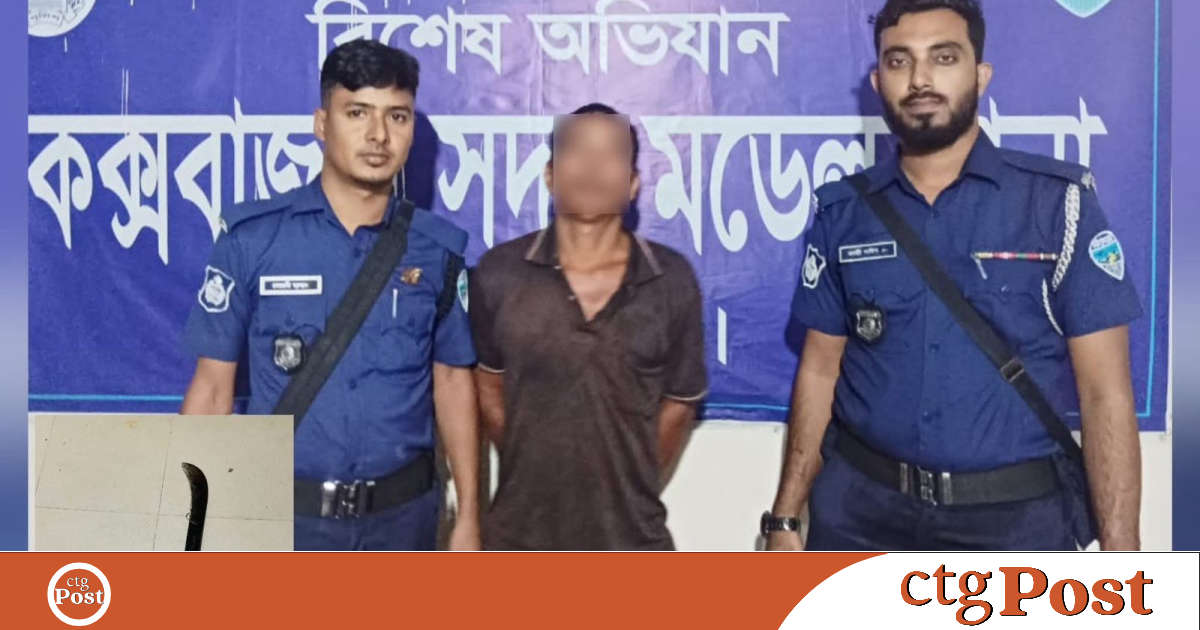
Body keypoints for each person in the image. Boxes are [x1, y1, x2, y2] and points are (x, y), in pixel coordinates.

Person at [763, 0, 1143, 551]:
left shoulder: (1055, 205)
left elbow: (1105, 393)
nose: (920, 79)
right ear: (878, 82)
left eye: (943, 57)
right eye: (899, 61)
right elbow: (821, 370)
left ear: (980, 75)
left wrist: (1123, 557)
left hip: (1015, 525)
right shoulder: (843, 212)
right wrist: (785, 518)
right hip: (861, 516)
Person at [180, 39, 481, 551]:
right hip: (285, 522)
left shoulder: (437, 250)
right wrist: (191, 527)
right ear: (322, 124)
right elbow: (211, 392)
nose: (379, 135)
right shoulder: (253, 240)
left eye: (397, 116)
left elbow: (453, 381)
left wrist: (469, 515)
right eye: (357, 113)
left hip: (403, 524)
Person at [469, 103, 708, 550]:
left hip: (633, 542)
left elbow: (679, 403)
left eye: (610, 154)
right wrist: (532, 461)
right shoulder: (499, 272)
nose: (592, 167)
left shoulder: (671, 278)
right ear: (549, 174)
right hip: (518, 540)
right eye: (577, 151)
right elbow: (487, 385)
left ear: (633, 183)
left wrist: (628, 479)